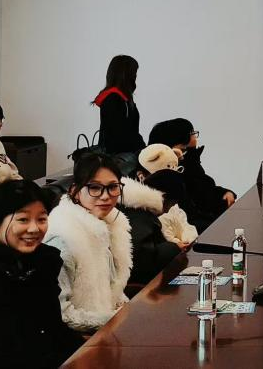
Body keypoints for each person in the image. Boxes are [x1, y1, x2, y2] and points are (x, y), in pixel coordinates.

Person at [0, 180, 83, 367]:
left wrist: (90, 352)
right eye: (23, 219)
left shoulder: (44, 261)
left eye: (41, 219)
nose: (34, 229)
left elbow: (53, 327)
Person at [43, 154, 132, 332]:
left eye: (113, 187)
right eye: (94, 188)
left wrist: (127, 312)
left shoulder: (106, 226)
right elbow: (61, 313)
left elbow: (113, 288)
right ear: (75, 191)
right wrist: (114, 320)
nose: (106, 196)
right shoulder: (63, 238)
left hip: (108, 330)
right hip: (80, 339)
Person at [120, 145, 196, 284]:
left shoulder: (138, 207)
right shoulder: (139, 214)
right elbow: (143, 260)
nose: (167, 211)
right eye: (170, 205)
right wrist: (174, 247)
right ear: (164, 198)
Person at [148, 118, 236, 217]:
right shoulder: (167, 173)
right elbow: (190, 207)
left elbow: (205, 188)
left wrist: (224, 193)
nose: (195, 136)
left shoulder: (191, 160)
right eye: (191, 133)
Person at [92, 55, 145, 173]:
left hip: (124, 154)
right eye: (134, 73)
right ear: (126, 74)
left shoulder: (121, 98)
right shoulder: (113, 99)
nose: (135, 76)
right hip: (120, 159)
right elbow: (118, 136)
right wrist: (142, 150)